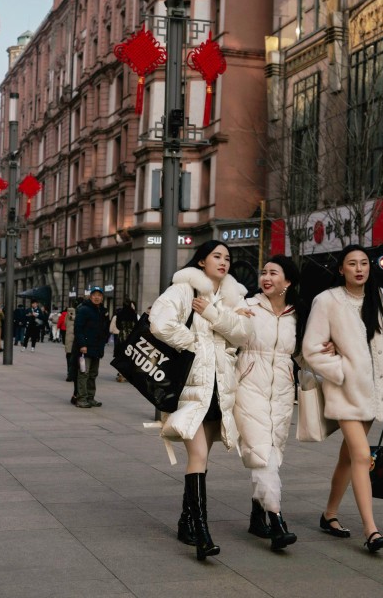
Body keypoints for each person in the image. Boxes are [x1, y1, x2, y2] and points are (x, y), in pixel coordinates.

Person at [150, 240, 252, 561]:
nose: (223, 262)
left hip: (219, 388)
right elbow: (159, 322)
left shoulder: (233, 296)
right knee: (197, 457)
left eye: (227, 258)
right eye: (216, 256)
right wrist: (192, 341)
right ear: (202, 261)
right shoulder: (184, 289)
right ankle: (202, 533)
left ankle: (185, 521)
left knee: (203, 459)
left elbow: (243, 333)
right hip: (190, 387)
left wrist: (212, 313)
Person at [302, 245, 383, 554]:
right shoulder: (328, 301)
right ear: (341, 269)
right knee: (362, 455)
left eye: (363, 263)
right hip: (345, 391)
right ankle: (371, 529)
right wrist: (341, 371)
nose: (359, 268)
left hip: (376, 392)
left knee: (349, 456)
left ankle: (329, 514)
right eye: (352, 264)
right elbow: (311, 349)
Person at [233, 256, 301, 551]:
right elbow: (228, 333)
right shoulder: (247, 307)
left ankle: (257, 516)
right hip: (248, 385)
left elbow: (303, 353)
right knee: (261, 453)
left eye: (274, 272)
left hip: (283, 391)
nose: (266, 277)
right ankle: (276, 520)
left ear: (287, 282)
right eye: (264, 272)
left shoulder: (297, 316)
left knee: (273, 452)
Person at [74, 288, 110, 408]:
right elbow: (78, 329)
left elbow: (105, 328)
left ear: (102, 298)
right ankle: (81, 398)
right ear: (90, 297)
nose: (97, 297)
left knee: (93, 374)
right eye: (94, 295)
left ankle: (90, 397)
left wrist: (104, 341)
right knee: (84, 373)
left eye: (99, 295)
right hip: (85, 348)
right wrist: (82, 345)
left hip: (97, 348)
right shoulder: (84, 309)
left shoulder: (102, 311)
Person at [113, 297, 137, 382]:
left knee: (121, 355)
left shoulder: (120, 313)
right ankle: (128, 374)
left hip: (122, 337)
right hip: (131, 337)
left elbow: (118, 326)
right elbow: (136, 325)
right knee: (130, 356)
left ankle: (121, 374)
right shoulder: (133, 313)